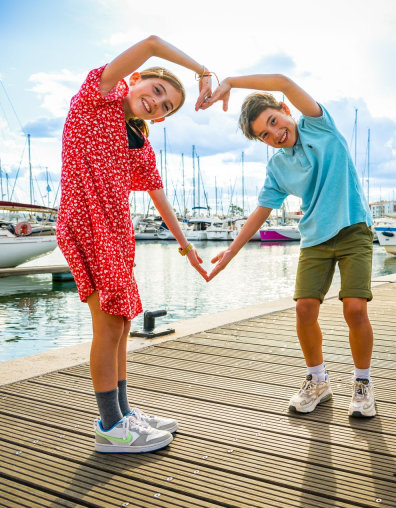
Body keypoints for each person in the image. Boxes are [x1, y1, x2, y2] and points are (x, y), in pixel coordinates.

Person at [57, 36, 211, 453]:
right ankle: (110, 427)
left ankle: (123, 414)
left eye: (166, 108)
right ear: (137, 79)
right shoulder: (97, 97)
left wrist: (188, 249)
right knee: (108, 323)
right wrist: (201, 72)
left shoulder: (138, 139)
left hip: (117, 230)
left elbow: (158, 195)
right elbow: (153, 43)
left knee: (123, 323)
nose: (157, 104)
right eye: (157, 92)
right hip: (87, 221)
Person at [200, 74, 378, 418]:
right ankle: (318, 381)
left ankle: (363, 384)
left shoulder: (318, 126)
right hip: (314, 239)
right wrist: (230, 253)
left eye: (273, 121)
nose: (275, 134)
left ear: (284, 109)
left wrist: (232, 82)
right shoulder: (278, 167)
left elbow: (283, 80)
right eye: (265, 135)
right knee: (304, 310)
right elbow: (261, 211)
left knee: (355, 308)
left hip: (354, 229)